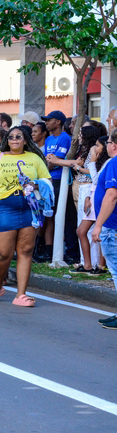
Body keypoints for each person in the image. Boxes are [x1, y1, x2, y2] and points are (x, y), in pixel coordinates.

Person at [0, 125, 51, 306]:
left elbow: (47, 181)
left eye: (19, 136)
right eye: (11, 137)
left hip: (30, 208)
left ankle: (21, 294)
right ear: (7, 140)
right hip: (3, 207)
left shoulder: (34, 158)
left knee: (25, 251)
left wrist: (35, 185)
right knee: (4, 253)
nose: (15, 139)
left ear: (26, 140)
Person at [42, 110, 76, 262]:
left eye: (49, 120)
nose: (46, 122)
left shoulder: (65, 138)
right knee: (50, 216)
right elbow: (47, 160)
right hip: (49, 181)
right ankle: (49, 250)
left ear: (58, 122)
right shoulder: (49, 140)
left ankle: (69, 251)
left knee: (64, 217)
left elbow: (57, 161)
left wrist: (44, 168)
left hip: (61, 182)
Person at [92, 129, 117, 330]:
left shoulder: (115, 163)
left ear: (114, 144)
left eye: (108, 141)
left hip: (113, 226)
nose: (107, 145)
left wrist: (98, 224)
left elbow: (111, 195)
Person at [75, 136, 109, 275]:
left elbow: (96, 179)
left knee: (103, 232)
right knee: (81, 231)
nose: (94, 148)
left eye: (98, 145)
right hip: (93, 199)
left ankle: (101, 265)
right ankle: (87, 265)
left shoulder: (108, 162)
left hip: (101, 201)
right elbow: (94, 184)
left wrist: (92, 162)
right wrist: (88, 197)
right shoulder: (102, 162)